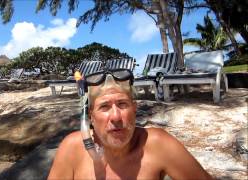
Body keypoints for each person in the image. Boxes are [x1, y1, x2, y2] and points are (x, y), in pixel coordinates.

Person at [48, 69, 212, 179]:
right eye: (104, 107)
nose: (116, 116)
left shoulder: (157, 144)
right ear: (90, 116)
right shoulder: (72, 148)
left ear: (134, 109)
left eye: (122, 104)